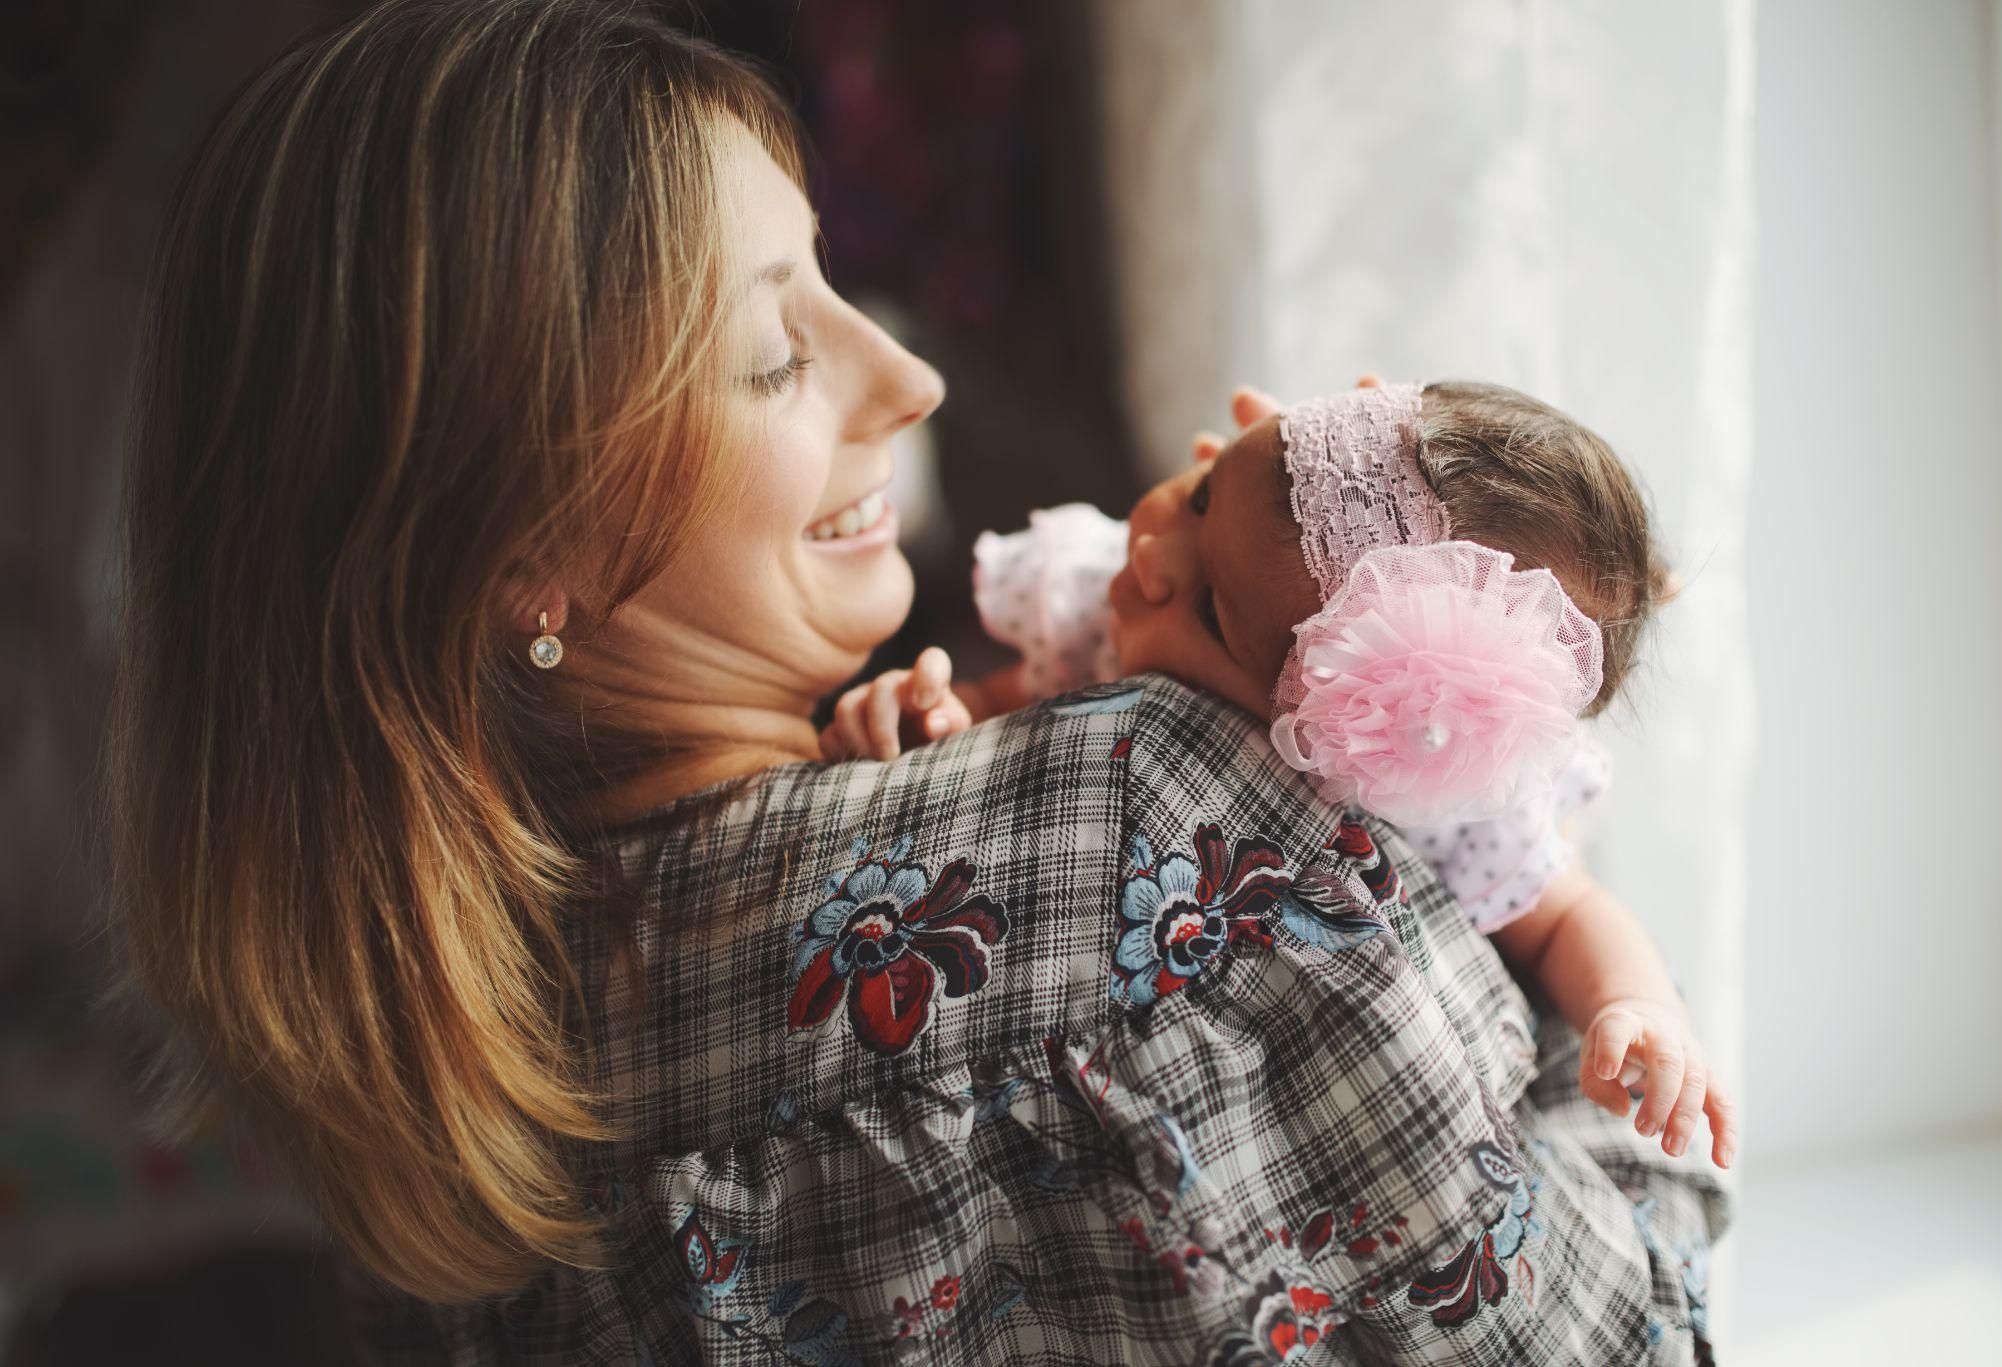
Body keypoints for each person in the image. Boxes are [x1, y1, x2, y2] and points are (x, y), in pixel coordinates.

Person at [104, 1, 1730, 1361]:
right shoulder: (1159, 820)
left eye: (830, 284)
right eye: (774, 351)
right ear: (519, 544)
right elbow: (1617, 1333)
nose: (910, 374)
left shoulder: (432, 1087)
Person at [830, 382, 1737, 1173]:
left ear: (1358, 734)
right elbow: (1017, 693)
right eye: (1201, 492)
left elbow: (1567, 916)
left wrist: (1635, 1006)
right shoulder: (1122, 582)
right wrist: (942, 721)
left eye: (1210, 612)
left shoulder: (1440, 818)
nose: (1147, 558)